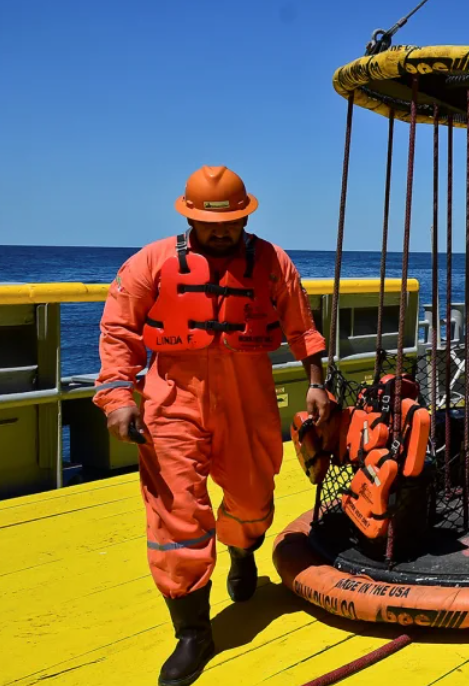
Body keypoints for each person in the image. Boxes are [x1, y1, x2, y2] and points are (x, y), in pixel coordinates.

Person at [95, 166, 332, 686]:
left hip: (248, 392)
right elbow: (119, 329)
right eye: (209, 223)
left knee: (252, 497)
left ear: (246, 215)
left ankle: (241, 550)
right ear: (189, 217)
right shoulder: (151, 262)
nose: (221, 231)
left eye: (231, 222)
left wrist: (316, 381)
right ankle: (193, 633)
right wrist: (117, 396)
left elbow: (301, 325)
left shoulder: (272, 262)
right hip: (172, 396)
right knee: (177, 511)